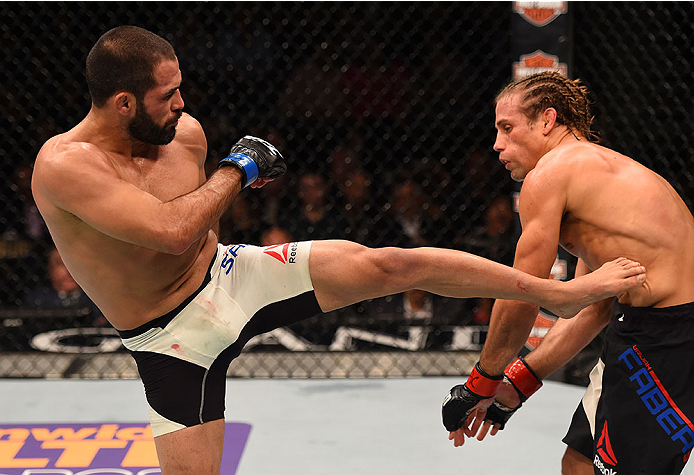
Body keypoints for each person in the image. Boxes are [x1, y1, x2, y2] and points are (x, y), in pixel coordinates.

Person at [31, 28, 645, 475]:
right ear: (122, 103)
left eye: (180, 89)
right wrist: (237, 171)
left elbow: (197, 228)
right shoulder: (63, 168)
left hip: (231, 274)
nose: (183, 106)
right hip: (166, 335)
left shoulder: (181, 134)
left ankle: (559, 292)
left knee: (390, 264)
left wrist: (225, 183)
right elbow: (169, 230)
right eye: (167, 95)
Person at [441, 71, 694, 475]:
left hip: (669, 338)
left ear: (547, 120)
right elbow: (591, 307)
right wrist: (518, 384)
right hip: (643, 327)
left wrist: (481, 382)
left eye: (507, 128)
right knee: (578, 463)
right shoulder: (598, 180)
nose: (497, 144)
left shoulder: (551, 174)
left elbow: (520, 292)